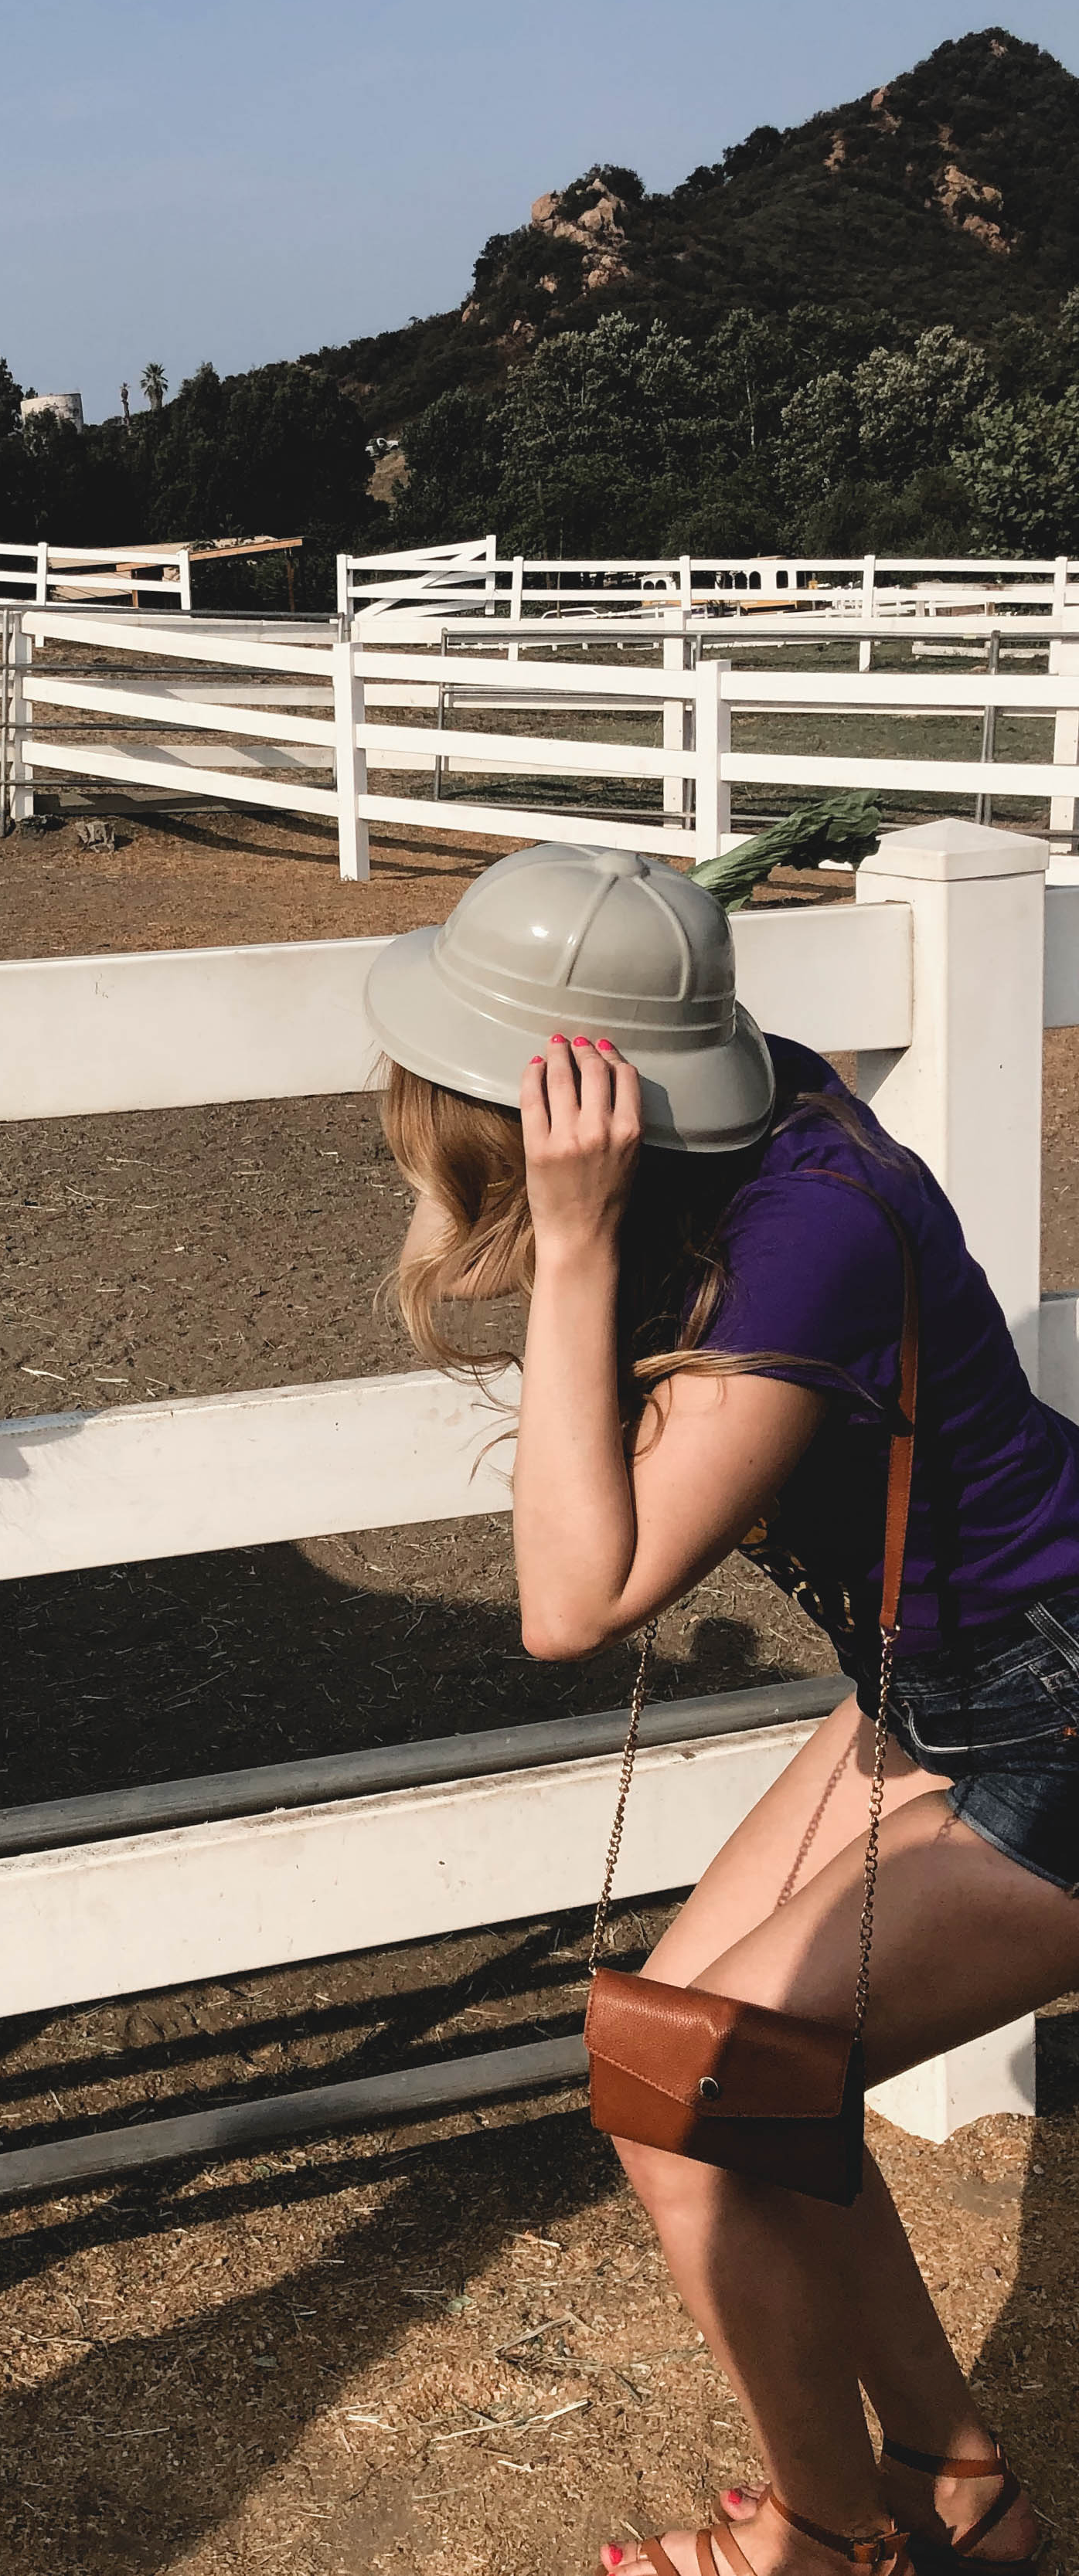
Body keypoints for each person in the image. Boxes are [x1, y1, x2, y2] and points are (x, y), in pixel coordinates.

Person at [363, 842, 1077, 2576]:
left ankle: (829, 2545)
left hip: (1053, 1715)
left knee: (712, 2101)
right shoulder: (763, 1125)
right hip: (951, 1684)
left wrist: (582, 1244)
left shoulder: (802, 1236)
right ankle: (953, 2490)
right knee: (671, 2072)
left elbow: (571, 1601)